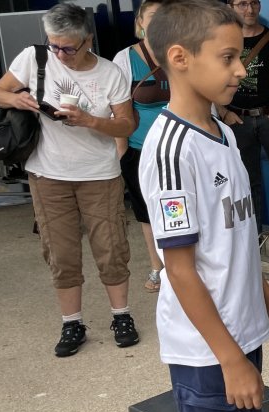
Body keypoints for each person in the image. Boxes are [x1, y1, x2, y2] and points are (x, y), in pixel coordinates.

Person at [140, 1, 269, 412]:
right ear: (180, 58)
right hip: (208, 356)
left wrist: (267, 304)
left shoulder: (222, 132)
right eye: (228, 57)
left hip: (241, 336)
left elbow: (236, 237)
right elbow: (179, 269)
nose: (241, 70)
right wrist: (228, 359)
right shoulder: (171, 152)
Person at [0, 3, 139, 357]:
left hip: (100, 174)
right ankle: (72, 322)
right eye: (54, 45)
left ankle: (121, 315)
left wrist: (90, 121)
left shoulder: (109, 74)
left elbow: (127, 125)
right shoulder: (34, 58)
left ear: (88, 39)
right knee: (60, 251)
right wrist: (18, 98)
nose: (60, 54)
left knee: (111, 247)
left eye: (68, 47)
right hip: (47, 174)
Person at [216, 0, 269, 229]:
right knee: (245, 185)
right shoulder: (222, 43)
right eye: (242, 4)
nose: (249, 10)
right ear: (230, 7)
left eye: (253, 3)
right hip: (237, 121)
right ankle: (253, 240)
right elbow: (209, 78)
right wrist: (223, 112)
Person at [113, 0, 166, 293]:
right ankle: (157, 267)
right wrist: (123, 154)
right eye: (154, 16)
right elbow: (118, 111)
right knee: (147, 212)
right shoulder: (124, 59)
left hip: (178, 150)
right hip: (140, 150)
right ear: (140, 21)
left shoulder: (181, 53)